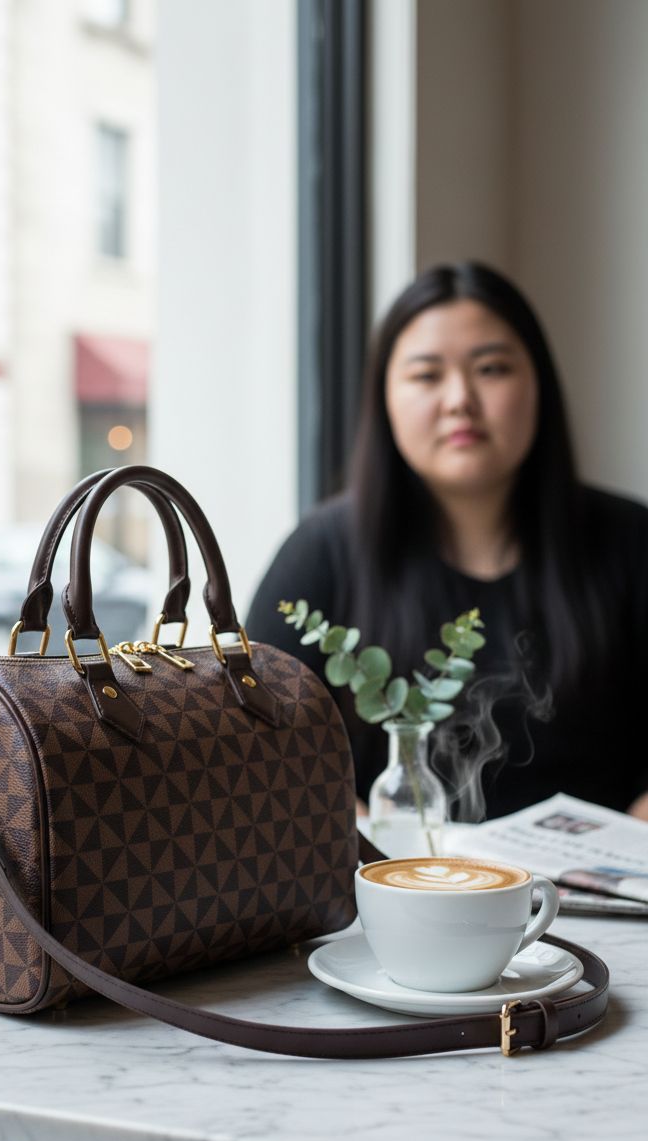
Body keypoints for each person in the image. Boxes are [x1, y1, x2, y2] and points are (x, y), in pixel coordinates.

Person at [247, 261, 648, 823]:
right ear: (384, 398)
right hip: (386, 890)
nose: (460, 398)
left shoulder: (630, 542)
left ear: (540, 385)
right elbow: (258, 744)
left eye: (491, 368)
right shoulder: (323, 553)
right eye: (426, 375)